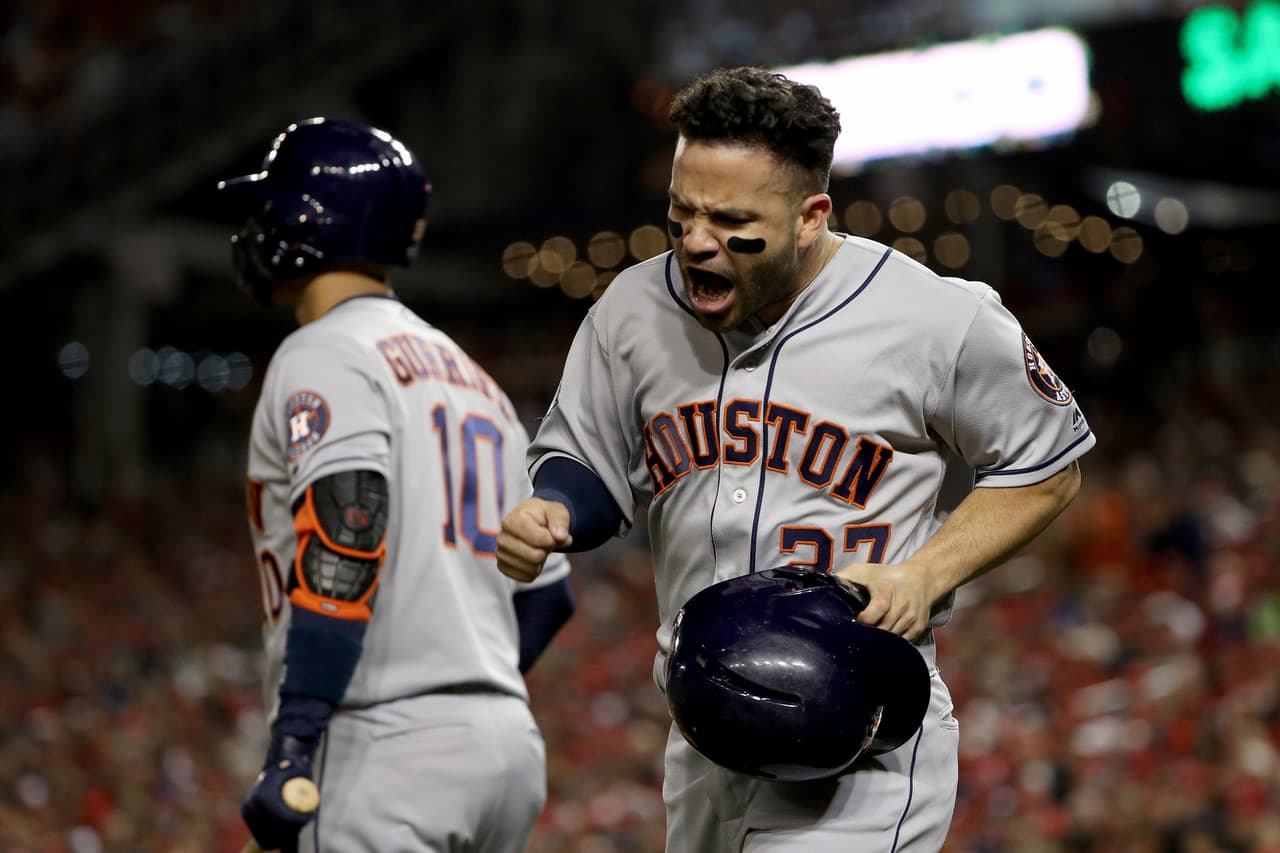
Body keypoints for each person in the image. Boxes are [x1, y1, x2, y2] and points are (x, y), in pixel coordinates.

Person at [496, 66, 1095, 852]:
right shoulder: (633, 309)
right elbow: (590, 459)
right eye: (682, 213)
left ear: (811, 215)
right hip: (704, 734)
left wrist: (926, 573)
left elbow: (1046, 463)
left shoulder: (929, 314)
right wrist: (557, 509)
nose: (699, 240)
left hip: (857, 741)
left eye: (733, 220)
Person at [219, 117, 574, 853]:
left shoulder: (323, 350)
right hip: (504, 749)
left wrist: (295, 742)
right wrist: (468, 687)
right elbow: (548, 596)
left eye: (271, 204)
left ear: (305, 218)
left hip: (381, 742)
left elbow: (348, 528)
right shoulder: (473, 377)